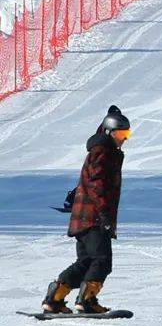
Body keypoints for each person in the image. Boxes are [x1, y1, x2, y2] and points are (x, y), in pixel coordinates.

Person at [42, 107, 131, 314]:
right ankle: (87, 300)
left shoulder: (103, 150)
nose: (124, 139)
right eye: (121, 134)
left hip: (85, 217)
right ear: (109, 133)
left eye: (128, 134)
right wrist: (104, 214)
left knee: (85, 262)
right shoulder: (102, 151)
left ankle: (54, 298)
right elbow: (96, 182)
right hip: (93, 217)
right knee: (101, 261)